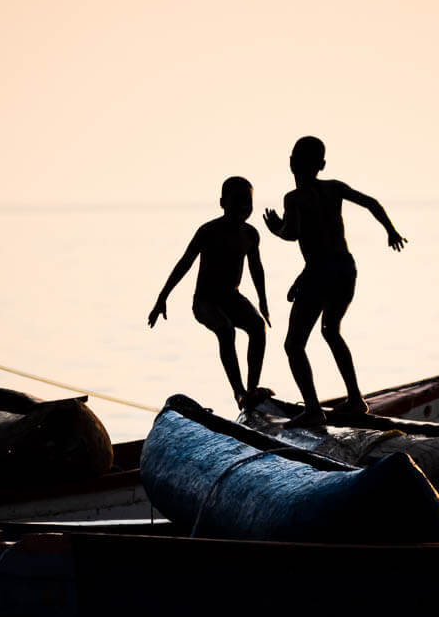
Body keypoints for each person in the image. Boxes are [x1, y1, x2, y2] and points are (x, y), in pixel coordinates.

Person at [263, 136, 406, 427]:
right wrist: (390, 231)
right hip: (344, 269)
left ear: (291, 162)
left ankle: (314, 409)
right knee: (331, 331)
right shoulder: (334, 188)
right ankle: (356, 399)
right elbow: (371, 203)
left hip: (320, 273)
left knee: (293, 345)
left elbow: (292, 235)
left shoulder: (294, 198)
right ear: (322, 165)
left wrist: (275, 228)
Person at [148, 176, 273, 409]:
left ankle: (251, 390)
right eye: (237, 202)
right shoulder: (208, 231)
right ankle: (239, 392)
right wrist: (162, 298)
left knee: (258, 327)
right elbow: (183, 264)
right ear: (222, 203)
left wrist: (263, 301)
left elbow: (257, 269)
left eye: (247, 202)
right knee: (226, 329)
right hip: (205, 301)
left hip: (232, 298)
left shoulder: (250, 234)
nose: (243, 208)